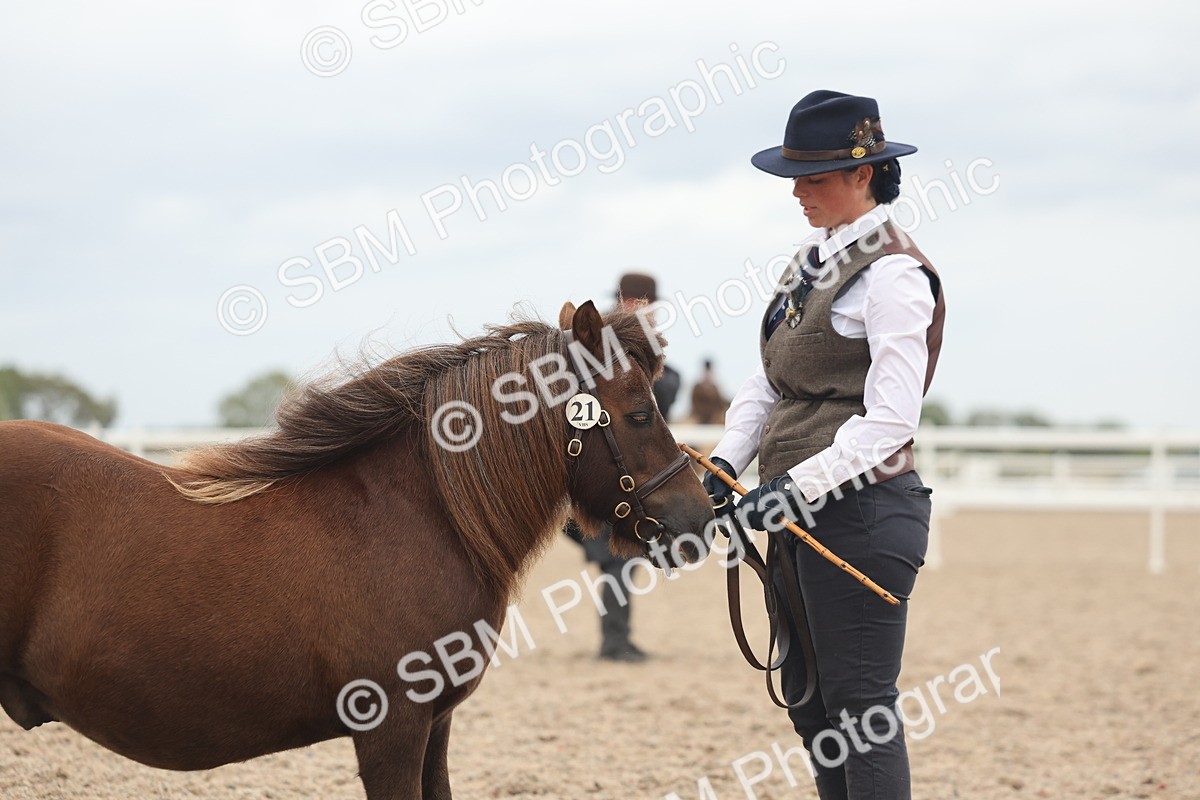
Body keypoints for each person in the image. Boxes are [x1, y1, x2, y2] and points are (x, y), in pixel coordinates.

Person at [703, 90, 946, 799]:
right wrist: (728, 460)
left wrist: (790, 487)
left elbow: (891, 420)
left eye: (813, 177)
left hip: (862, 515)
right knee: (811, 707)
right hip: (798, 516)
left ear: (863, 173)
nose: (798, 192)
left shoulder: (895, 275)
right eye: (795, 178)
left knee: (861, 711)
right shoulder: (809, 262)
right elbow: (770, 377)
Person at [563, 272, 680, 663]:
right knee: (619, 560)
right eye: (644, 304)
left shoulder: (631, 349)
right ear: (632, 302)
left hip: (618, 475)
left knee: (621, 561)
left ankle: (617, 638)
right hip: (606, 477)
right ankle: (614, 641)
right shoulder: (608, 350)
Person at [689, 359, 729, 424]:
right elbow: (695, 403)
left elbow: (720, 402)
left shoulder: (714, 388)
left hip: (713, 417)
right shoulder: (698, 388)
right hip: (700, 416)